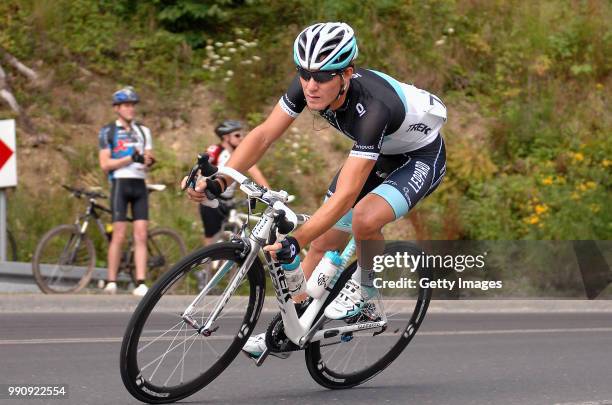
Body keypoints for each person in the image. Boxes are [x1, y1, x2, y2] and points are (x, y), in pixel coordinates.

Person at [184, 22, 447, 358]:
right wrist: (223, 178)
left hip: (419, 157)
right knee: (322, 243)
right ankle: (285, 330)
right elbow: (264, 135)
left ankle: (366, 294)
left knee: (364, 218)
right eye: (303, 73)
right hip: (380, 152)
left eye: (322, 77)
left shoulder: (373, 107)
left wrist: (296, 239)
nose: (310, 85)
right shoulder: (309, 85)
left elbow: (346, 196)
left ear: (346, 74)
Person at [196, 119, 270, 289]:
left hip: (229, 202)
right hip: (212, 200)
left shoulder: (240, 153)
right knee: (211, 240)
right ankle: (204, 272)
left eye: (242, 134)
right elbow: (202, 169)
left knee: (232, 240)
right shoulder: (216, 150)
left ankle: (221, 277)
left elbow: (254, 171)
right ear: (226, 137)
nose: (241, 138)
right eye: (237, 135)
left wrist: (269, 192)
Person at [98, 86, 155, 296]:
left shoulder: (143, 130)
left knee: (141, 234)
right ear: (117, 108)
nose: (131, 109)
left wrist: (147, 160)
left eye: (133, 105)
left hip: (139, 183)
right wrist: (129, 158)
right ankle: (111, 280)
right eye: (127, 105)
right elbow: (105, 164)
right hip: (120, 184)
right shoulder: (108, 131)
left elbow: (148, 157)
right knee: (119, 235)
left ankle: (140, 281)